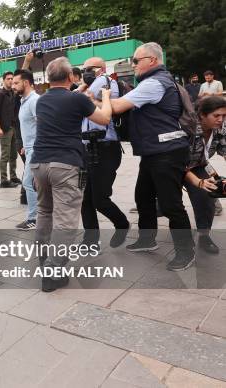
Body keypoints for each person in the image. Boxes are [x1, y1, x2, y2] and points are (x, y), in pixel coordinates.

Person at [110, 42, 196, 271]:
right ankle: (147, 239)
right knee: (143, 197)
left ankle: (186, 251)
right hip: (154, 151)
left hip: (167, 152)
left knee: (171, 204)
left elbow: (117, 106)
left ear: (152, 61)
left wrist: (96, 98)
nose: (134, 64)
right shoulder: (155, 81)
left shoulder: (155, 83)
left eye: (137, 60)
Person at [31, 57, 112, 292]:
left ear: (48, 78)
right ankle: (52, 271)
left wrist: (81, 90)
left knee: (45, 212)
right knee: (65, 220)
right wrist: (105, 98)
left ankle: (44, 260)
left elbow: (65, 99)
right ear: (70, 77)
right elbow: (104, 119)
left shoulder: (42, 100)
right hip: (65, 165)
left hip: (39, 164)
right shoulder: (77, 99)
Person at [77, 57, 130, 248]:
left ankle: (122, 223)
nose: (85, 73)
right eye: (83, 69)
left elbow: (81, 100)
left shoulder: (105, 82)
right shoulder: (91, 84)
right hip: (90, 147)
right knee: (86, 199)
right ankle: (90, 241)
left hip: (104, 147)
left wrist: (83, 90)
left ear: (100, 69)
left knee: (99, 199)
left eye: (89, 69)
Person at [183, 96, 226, 254]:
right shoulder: (188, 128)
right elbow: (178, 161)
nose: (221, 119)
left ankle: (204, 236)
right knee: (167, 205)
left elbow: (224, 149)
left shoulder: (221, 127)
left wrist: (203, 183)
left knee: (206, 197)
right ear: (202, 115)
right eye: (216, 116)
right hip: (173, 166)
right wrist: (196, 181)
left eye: (224, 115)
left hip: (199, 165)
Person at [12, 69, 39, 230]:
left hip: (36, 149)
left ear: (26, 83)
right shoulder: (24, 100)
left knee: (28, 183)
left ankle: (33, 219)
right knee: (35, 184)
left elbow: (42, 125)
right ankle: (40, 215)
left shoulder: (34, 100)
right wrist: (25, 146)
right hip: (30, 148)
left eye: (16, 83)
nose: (13, 86)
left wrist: (35, 147)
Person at [0, 71, 20, 188]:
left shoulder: (13, 93)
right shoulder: (0, 94)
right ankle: (4, 180)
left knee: (13, 154)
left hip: (13, 127)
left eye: (11, 79)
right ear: (3, 80)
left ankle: (13, 176)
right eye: (8, 79)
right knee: (5, 154)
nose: (10, 80)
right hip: (4, 128)